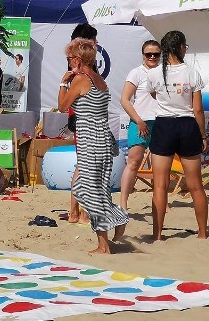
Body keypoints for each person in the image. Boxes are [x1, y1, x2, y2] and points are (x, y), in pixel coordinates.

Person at [58, 38, 128, 253]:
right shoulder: (100, 80)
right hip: (104, 139)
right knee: (99, 189)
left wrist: (63, 82)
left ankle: (104, 242)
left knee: (86, 189)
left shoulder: (80, 79)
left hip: (91, 140)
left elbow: (62, 106)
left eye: (69, 58)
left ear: (77, 59)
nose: (68, 62)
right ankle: (116, 221)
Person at [145, 30, 208, 241]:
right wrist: (203, 135)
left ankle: (157, 234)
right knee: (195, 185)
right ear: (180, 47)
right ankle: (202, 233)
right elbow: (198, 109)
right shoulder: (192, 73)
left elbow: (155, 94)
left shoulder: (154, 73)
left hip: (164, 125)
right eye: (185, 47)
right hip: (187, 124)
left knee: (160, 185)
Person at [118, 40, 161, 211]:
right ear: (143, 55)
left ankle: (159, 201)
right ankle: (123, 202)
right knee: (134, 162)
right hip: (140, 121)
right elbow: (124, 99)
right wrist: (139, 120)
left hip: (160, 122)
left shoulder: (165, 73)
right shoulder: (136, 73)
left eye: (155, 54)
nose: (152, 57)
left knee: (159, 165)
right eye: (148, 54)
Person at [66, 23, 98, 225]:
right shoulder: (81, 67)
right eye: (94, 39)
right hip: (84, 116)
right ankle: (81, 213)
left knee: (83, 165)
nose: (96, 43)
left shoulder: (76, 63)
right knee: (86, 166)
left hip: (80, 115)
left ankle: (74, 212)